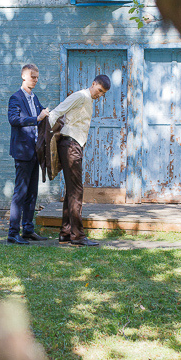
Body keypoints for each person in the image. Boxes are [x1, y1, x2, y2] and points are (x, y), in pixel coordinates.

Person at [47, 74, 110, 247]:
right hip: (69, 146)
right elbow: (56, 113)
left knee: (71, 191)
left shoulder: (88, 99)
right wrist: (44, 139)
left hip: (75, 146)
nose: (100, 95)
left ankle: (66, 233)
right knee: (76, 191)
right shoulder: (80, 96)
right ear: (93, 83)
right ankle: (78, 236)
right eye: (99, 90)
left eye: (103, 93)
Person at [7, 64, 50, 245]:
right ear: (24, 76)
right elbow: (14, 120)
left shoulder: (34, 97)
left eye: (37, 77)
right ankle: (13, 233)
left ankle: (28, 230)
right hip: (22, 152)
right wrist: (37, 119)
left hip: (35, 152)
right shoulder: (15, 98)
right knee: (20, 193)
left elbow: (42, 117)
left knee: (32, 193)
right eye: (33, 76)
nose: (35, 80)